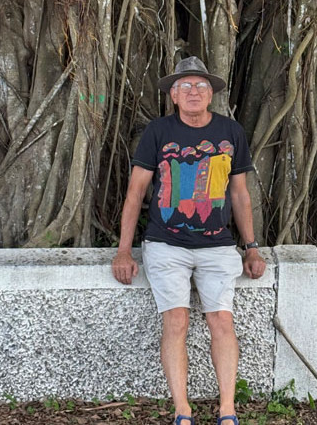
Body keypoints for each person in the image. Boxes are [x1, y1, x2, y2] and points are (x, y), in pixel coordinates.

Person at [112, 56, 266, 425]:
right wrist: (123, 251)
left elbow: (240, 195)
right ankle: (183, 411)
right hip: (165, 244)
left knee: (221, 321)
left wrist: (251, 246)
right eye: (185, 86)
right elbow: (136, 193)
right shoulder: (158, 132)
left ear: (211, 93)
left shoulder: (231, 132)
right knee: (176, 321)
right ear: (174, 96)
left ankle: (227, 410)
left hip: (218, 246)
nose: (193, 91)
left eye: (200, 85)